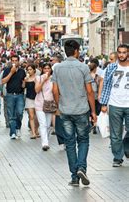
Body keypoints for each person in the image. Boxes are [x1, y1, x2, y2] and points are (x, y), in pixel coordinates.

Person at [52, 40, 96, 187]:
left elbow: (54, 90)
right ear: (77, 51)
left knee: (70, 143)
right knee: (83, 140)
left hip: (65, 111)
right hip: (81, 110)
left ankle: (74, 177)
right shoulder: (83, 67)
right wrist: (93, 111)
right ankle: (81, 168)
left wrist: (59, 105)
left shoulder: (57, 68)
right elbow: (90, 91)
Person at [99, 44, 129, 167]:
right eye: (119, 52)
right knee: (115, 134)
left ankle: (126, 149)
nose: (121, 54)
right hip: (114, 104)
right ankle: (117, 157)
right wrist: (104, 103)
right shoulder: (111, 67)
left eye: (124, 52)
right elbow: (106, 86)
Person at [2, 55, 26, 139]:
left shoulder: (22, 71)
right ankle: (12, 132)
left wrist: (24, 83)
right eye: (13, 60)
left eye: (16, 60)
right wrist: (11, 72)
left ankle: (18, 127)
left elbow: (23, 85)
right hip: (10, 95)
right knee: (11, 114)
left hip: (20, 95)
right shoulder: (7, 70)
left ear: (18, 62)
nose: (14, 62)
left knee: (19, 113)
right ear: (10, 61)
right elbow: (3, 81)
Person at [35, 63, 55, 151]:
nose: (47, 70)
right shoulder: (38, 78)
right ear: (42, 70)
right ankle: (45, 143)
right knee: (43, 124)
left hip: (49, 103)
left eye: (48, 68)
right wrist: (43, 80)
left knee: (47, 124)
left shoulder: (54, 79)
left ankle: (46, 139)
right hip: (39, 103)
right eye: (45, 68)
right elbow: (37, 90)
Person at [24, 64, 38, 139]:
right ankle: (33, 133)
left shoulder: (37, 78)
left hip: (37, 98)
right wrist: (24, 81)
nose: (29, 71)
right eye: (28, 70)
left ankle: (36, 129)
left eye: (30, 69)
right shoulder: (27, 78)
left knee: (37, 116)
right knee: (31, 116)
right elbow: (23, 87)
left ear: (34, 70)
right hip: (29, 98)